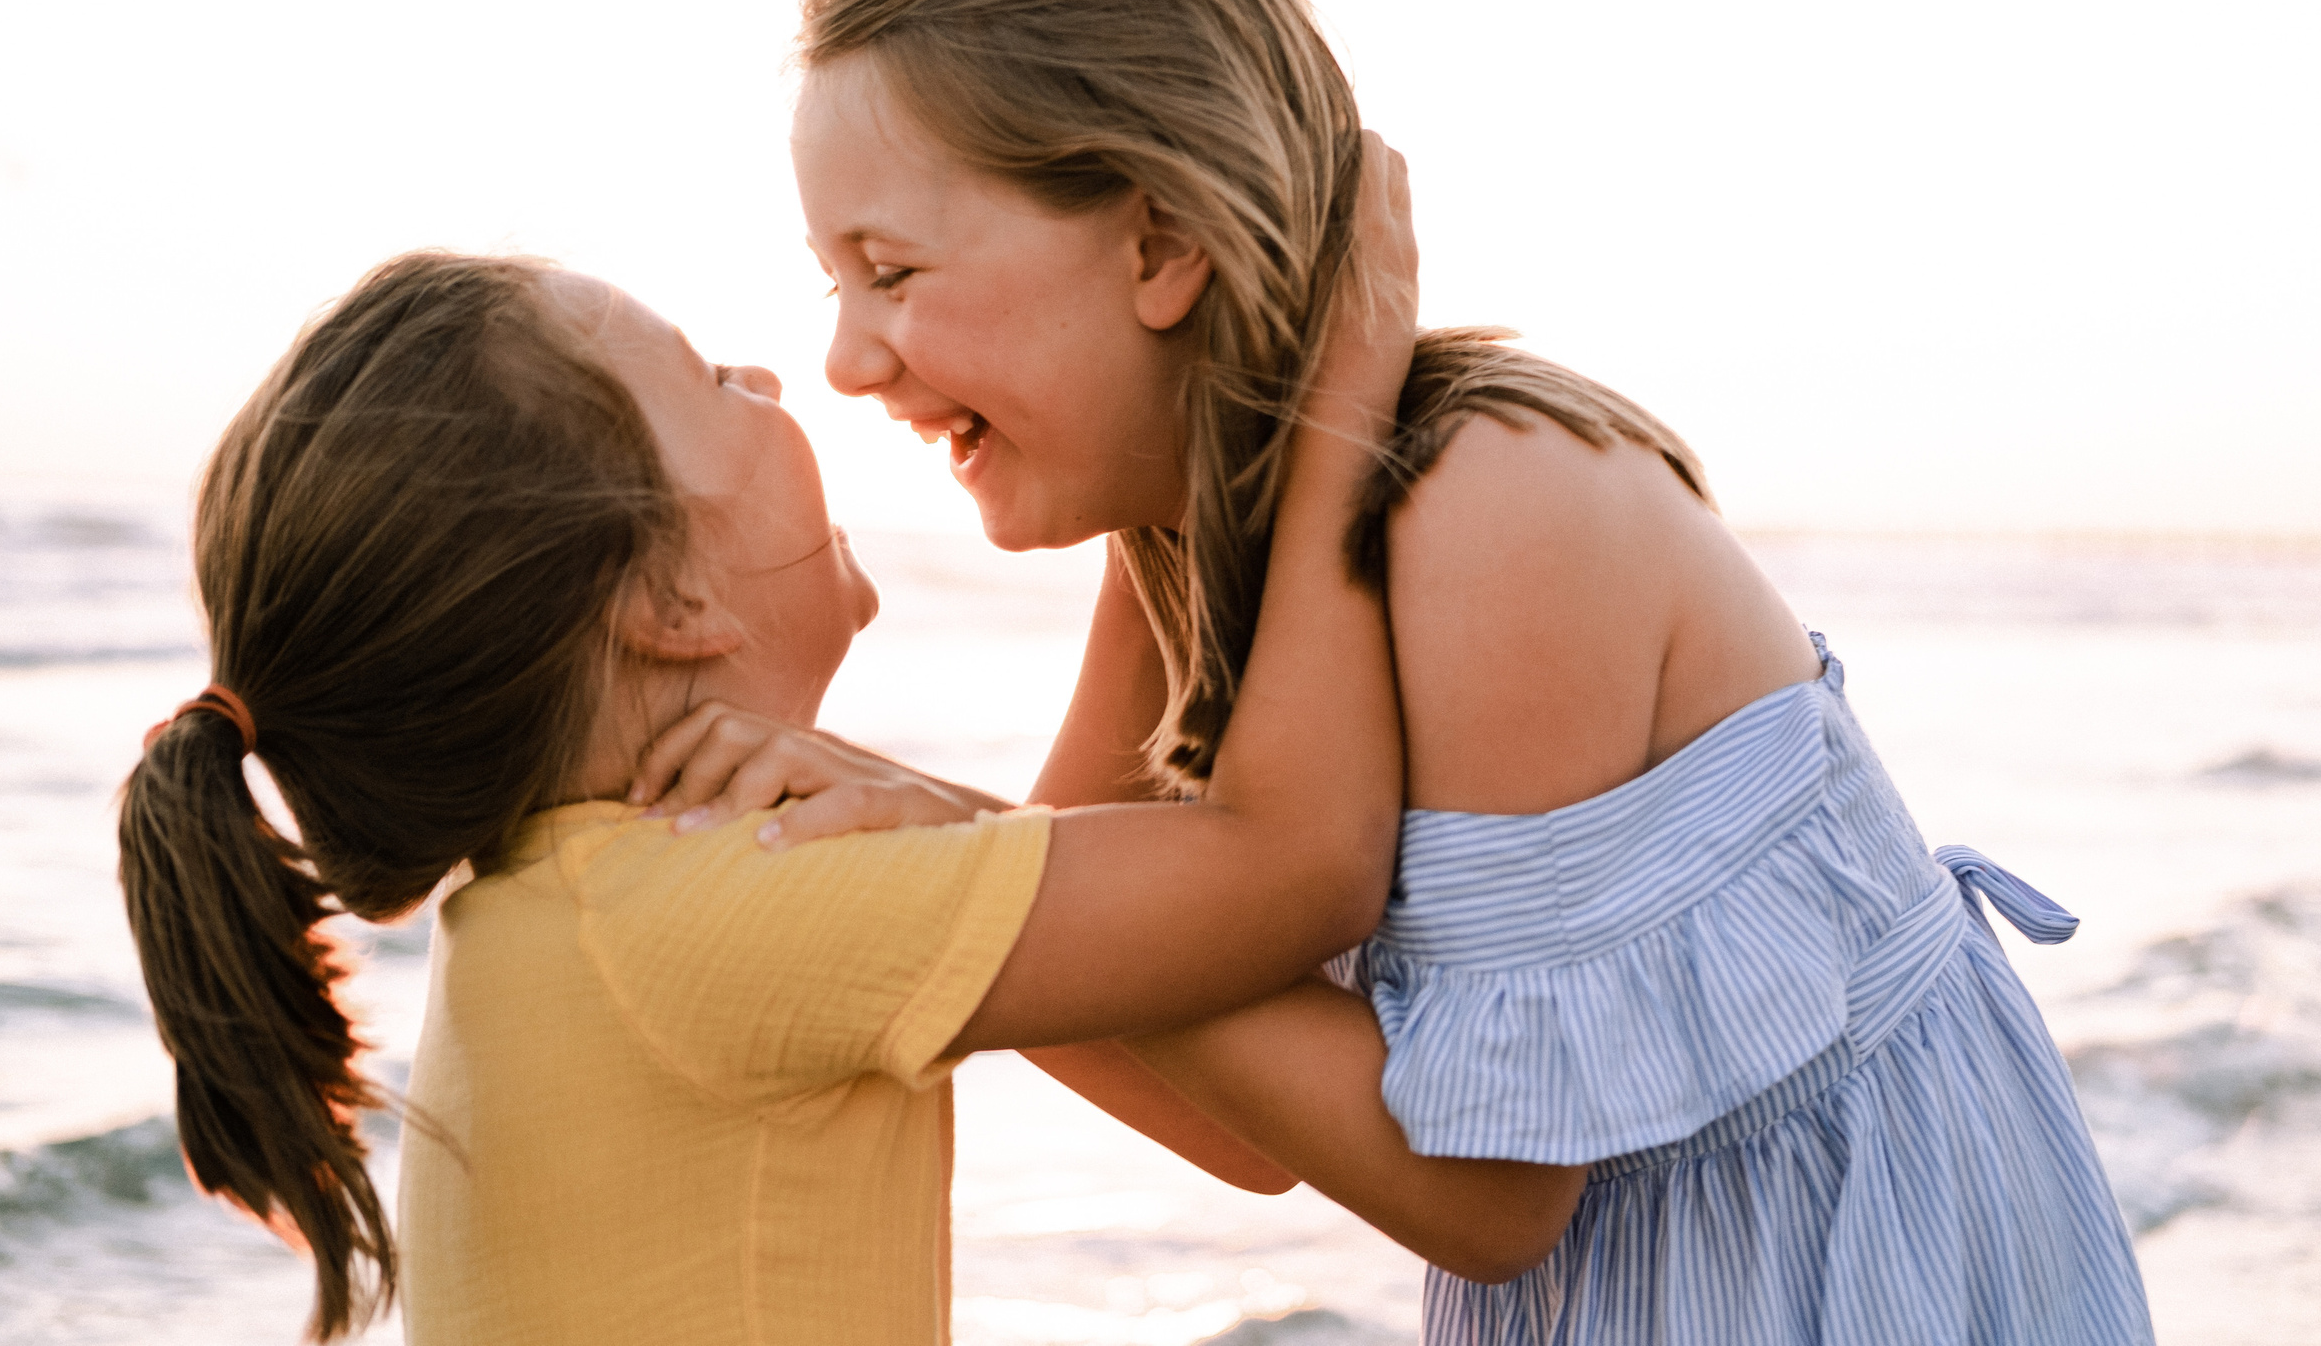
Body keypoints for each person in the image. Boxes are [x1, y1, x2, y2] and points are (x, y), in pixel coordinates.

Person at [660, 0, 2155, 1343]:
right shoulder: (1182, 540)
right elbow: (1224, 1116)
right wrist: (872, 831)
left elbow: (1490, 1199)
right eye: (830, 285)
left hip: (1834, 1283)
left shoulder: (1488, 509)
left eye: (893, 272)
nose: (848, 360)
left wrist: (955, 845)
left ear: (1160, 243)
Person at [116, 204, 1542, 1345]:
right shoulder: (731, 907)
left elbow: (1236, 1123)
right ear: (668, 606)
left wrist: (1149, 463)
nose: (775, 377)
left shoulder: (584, 913)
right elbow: (1297, 864)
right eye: (712, 380)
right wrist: (1343, 390)